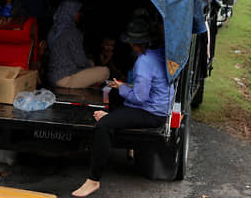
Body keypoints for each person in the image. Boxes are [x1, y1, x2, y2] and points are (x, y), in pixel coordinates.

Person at [72, 16, 174, 197]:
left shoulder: (143, 62)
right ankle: (113, 121)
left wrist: (124, 89)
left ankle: (93, 180)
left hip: (151, 113)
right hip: (156, 107)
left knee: (103, 125)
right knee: (114, 92)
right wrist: (121, 87)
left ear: (133, 43)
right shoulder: (158, 53)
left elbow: (140, 98)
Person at [47, 0, 109, 88]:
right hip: (65, 79)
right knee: (105, 71)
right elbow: (80, 60)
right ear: (71, 12)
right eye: (78, 12)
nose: (79, 14)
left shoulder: (52, 30)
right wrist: (91, 66)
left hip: (52, 77)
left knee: (90, 64)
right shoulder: (72, 32)